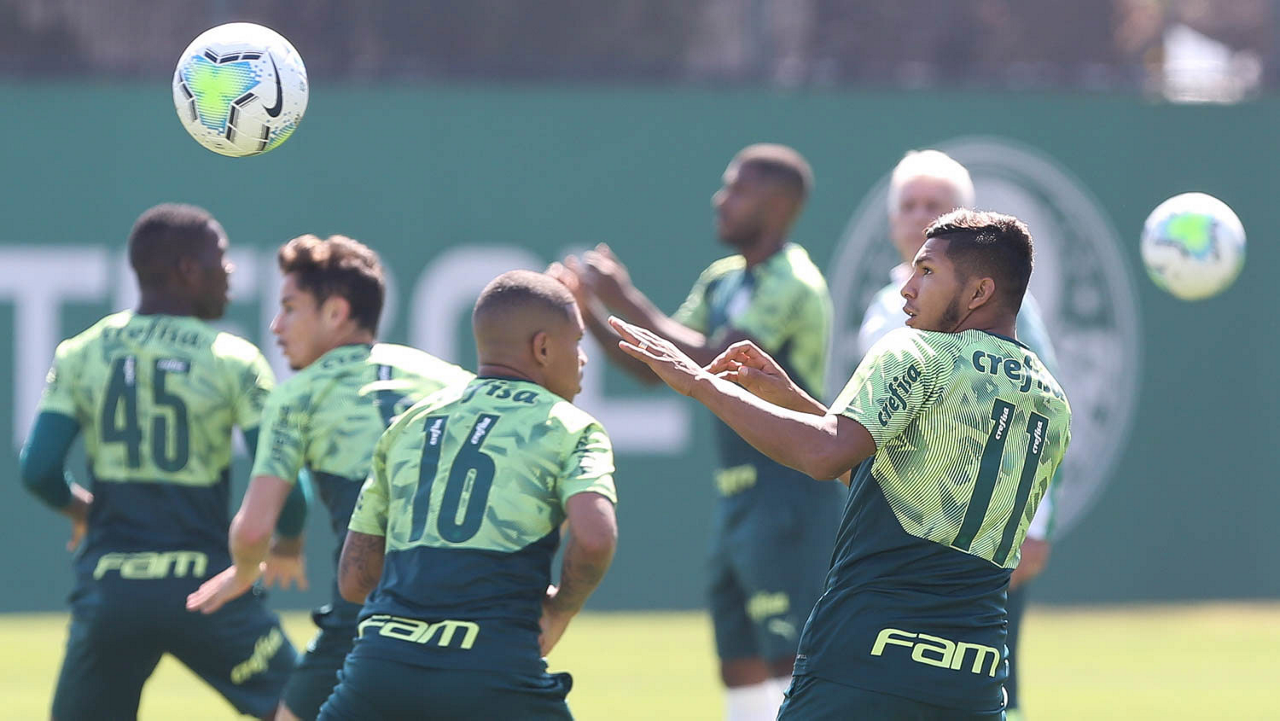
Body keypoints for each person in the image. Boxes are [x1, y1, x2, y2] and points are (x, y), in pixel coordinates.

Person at [610, 209, 1071, 719]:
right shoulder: (1051, 401)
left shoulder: (916, 351)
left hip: (864, 656)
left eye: (927, 271)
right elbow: (898, 486)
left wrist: (700, 384)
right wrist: (791, 399)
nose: (907, 288)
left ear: (980, 292)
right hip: (974, 674)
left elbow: (824, 455)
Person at [549, 143, 837, 721]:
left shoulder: (794, 281)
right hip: (737, 499)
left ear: (778, 205)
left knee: (791, 659)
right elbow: (656, 368)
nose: (721, 199)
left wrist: (623, 296)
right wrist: (591, 314)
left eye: (739, 189)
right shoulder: (722, 280)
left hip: (790, 496)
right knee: (738, 660)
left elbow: (715, 362)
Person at [19, 203, 301, 720]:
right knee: (306, 707)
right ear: (187, 269)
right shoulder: (232, 359)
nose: (229, 272)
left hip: (111, 591)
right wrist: (289, 542)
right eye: (220, 258)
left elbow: (37, 469)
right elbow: (285, 480)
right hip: (208, 589)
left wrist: (82, 510)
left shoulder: (82, 352)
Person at [186, 234, 473, 720]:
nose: (276, 326)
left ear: (336, 312)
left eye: (289, 308)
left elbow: (253, 530)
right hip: (470, 612)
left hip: (368, 613)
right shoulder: (453, 381)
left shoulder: (299, 395)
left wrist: (245, 571)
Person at [316, 270, 618, 720]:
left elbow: (354, 581)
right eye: (576, 342)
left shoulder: (408, 424)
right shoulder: (573, 428)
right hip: (497, 672)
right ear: (542, 348)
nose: (583, 358)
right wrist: (559, 611)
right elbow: (595, 538)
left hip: (378, 670)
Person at [861, 150, 1058, 718]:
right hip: (900, 529)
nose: (919, 216)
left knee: (988, 680)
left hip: (980, 527)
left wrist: (1035, 525)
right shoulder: (882, 307)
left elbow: (1039, 412)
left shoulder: (1003, 310)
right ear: (892, 219)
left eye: (936, 205)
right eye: (909, 205)